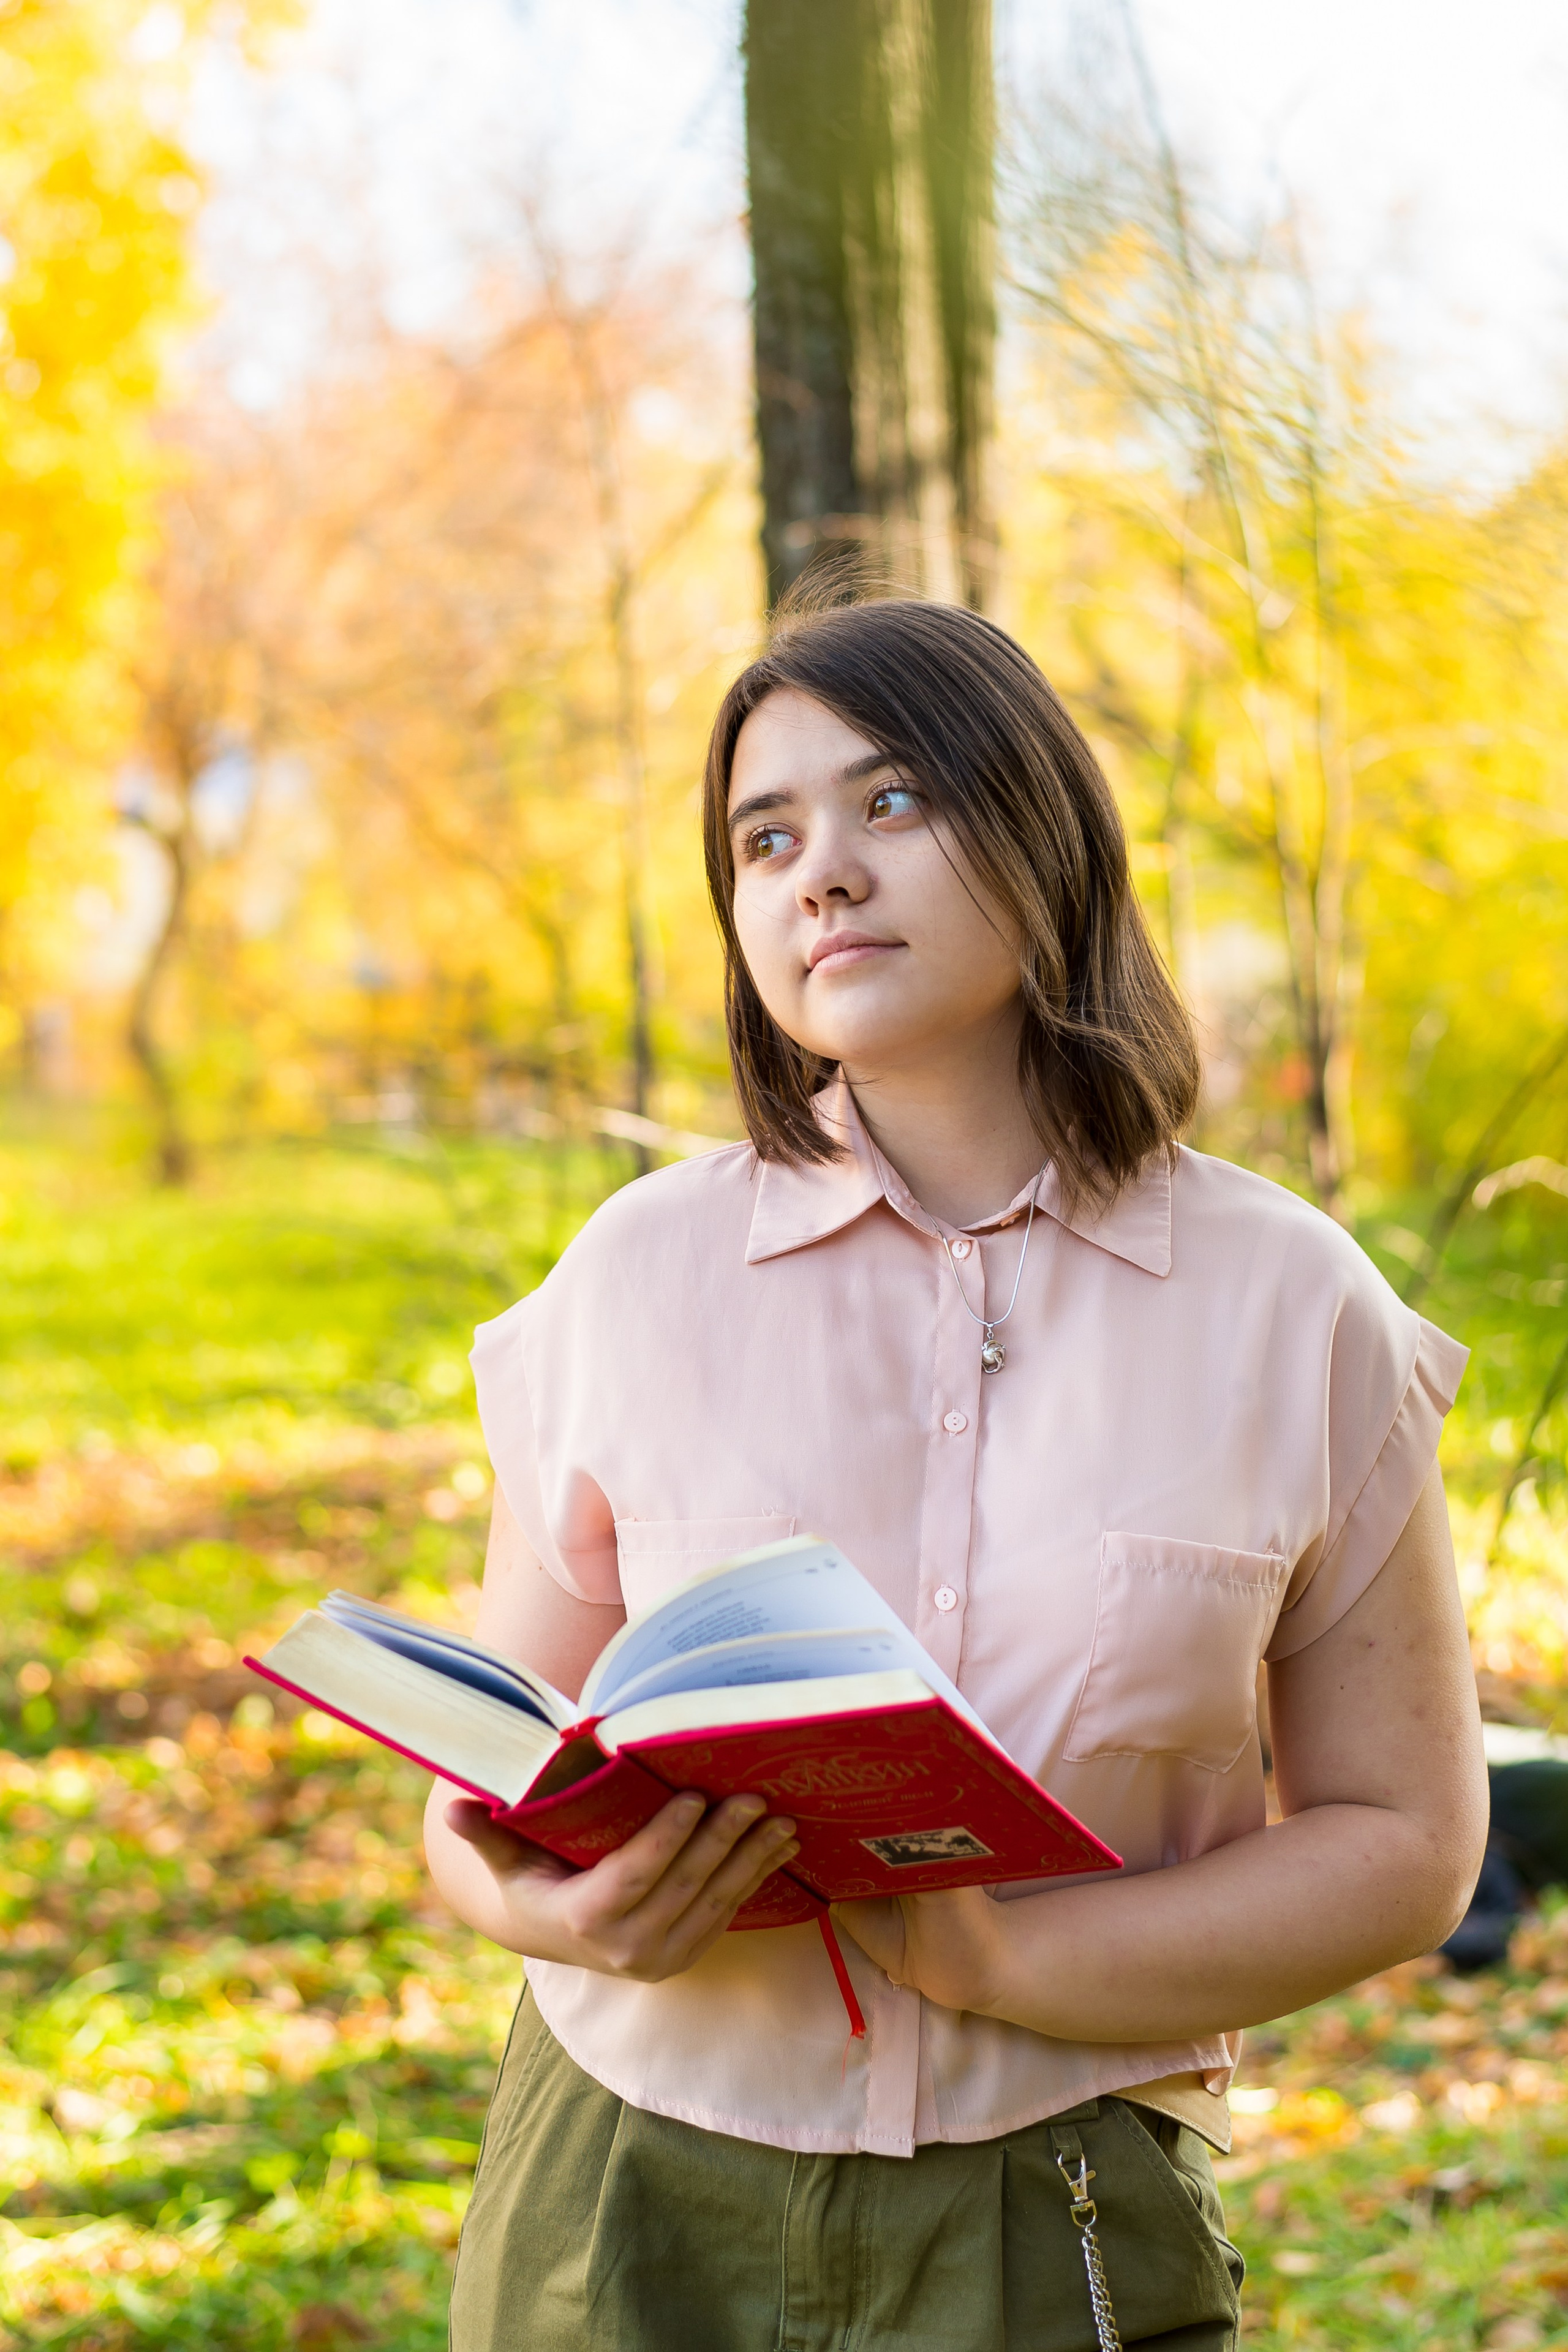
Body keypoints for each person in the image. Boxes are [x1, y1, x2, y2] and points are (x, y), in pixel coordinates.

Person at [424, 597, 1489, 2351]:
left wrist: (1006, 1967)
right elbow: (481, 1781)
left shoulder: (1299, 1311)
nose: (819, 873)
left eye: (891, 802)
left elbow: (1404, 1844)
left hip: (1051, 2197)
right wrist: (553, 1905)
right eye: (765, 840)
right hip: (624, 2194)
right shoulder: (631, 1277)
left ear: (1043, 830)